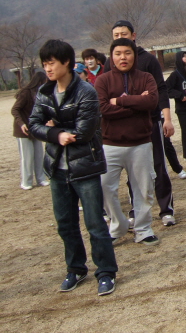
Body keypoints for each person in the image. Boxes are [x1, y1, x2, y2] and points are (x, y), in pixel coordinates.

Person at [29, 39, 117, 296]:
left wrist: (53, 125)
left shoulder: (85, 91)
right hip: (57, 167)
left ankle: (106, 272)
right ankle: (76, 269)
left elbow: (85, 131)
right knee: (65, 224)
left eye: (51, 63)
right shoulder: (44, 92)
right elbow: (33, 125)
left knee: (95, 223)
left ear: (66, 62)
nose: (47, 68)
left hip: (85, 166)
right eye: (44, 64)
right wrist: (56, 134)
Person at [105, 20, 177, 227]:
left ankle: (166, 210)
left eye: (124, 34)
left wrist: (167, 119)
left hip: (151, 121)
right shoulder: (110, 63)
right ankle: (135, 211)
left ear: (133, 36)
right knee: (132, 171)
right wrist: (137, 101)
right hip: (124, 125)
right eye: (116, 35)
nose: (120, 38)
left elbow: (159, 92)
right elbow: (106, 100)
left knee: (158, 166)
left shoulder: (148, 61)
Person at [95, 38, 160, 246]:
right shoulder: (103, 81)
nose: (123, 57)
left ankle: (143, 228)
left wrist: (120, 101)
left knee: (143, 188)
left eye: (127, 53)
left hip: (140, 143)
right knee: (105, 187)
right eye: (118, 53)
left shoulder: (146, 77)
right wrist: (136, 103)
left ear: (134, 55)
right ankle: (118, 225)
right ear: (111, 57)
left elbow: (151, 101)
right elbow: (103, 109)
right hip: (110, 144)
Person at [12, 71, 48, 190]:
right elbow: (15, 109)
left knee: (39, 155)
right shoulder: (25, 93)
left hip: (35, 129)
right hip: (23, 131)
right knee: (27, 157)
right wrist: (21, 123)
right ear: (39, 82)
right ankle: (26, 182)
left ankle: (41, 179)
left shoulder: (40, 94)